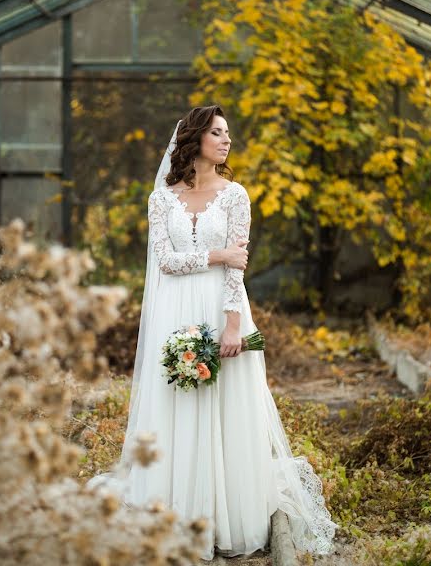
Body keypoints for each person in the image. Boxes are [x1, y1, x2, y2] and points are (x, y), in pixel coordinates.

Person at [87, 106, 337, 560]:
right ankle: (176, 514)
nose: (226, 141)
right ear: (195, 139)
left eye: (228, 134)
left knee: (225, 412)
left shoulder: (236, 195)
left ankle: (225, 515)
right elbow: (165, 260)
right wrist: (218, 254)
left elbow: (238, 269)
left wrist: (234, 323)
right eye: (218, 133)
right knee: (179, 408)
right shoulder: (161, 199)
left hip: (224, 310)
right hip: (175, 313)